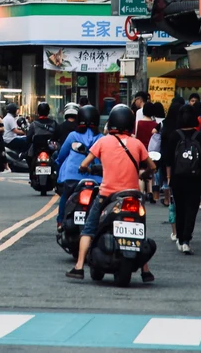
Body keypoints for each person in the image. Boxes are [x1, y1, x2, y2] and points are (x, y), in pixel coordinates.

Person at [66, 104, 158, 282]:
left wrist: (86, 168)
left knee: (89, 229)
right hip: (133, 196)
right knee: (139, 231)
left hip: (107, 195)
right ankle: (145, 270)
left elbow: (84, 164)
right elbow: (152, 167)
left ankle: (78, 267)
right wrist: (143, 173)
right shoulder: (137, 143)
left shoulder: (103, 141)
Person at [164, 105, 201, 254]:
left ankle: (179, 238)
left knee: (180, 208)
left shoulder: (174, 136)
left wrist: (169, 177)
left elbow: (168, 161)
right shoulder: (200, 137)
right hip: (195, 177)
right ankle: (186, 240)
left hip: (177, 178)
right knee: (192, 209)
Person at [55, 104, 101, 228]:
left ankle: (60, 221)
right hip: (96, 179)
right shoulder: (102, 138)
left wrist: (58, 165)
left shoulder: (73, 136)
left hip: (72, 177)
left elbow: (61, 156)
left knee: (65, 195)